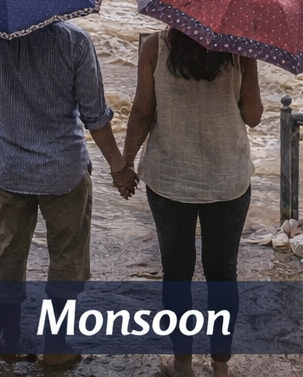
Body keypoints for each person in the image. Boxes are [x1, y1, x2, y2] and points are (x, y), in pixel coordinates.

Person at [0, 20, 128, 367]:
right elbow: (95, 114)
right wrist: (118, 166)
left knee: (9, 251)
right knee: (67, 256)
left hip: (7, 167)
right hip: (63, 170)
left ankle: (8, 339)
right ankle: (56, 346)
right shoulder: (76, 42)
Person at [115, 29, 262, 377]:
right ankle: (220, 367)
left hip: (170, 179)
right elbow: (253, 115)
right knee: (223, 274)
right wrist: (250, 62)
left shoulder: (154, 46)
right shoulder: (240, 48)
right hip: (228, 180)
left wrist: (126, 163)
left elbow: (142, 112)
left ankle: (182, 364)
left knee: (176, 274)